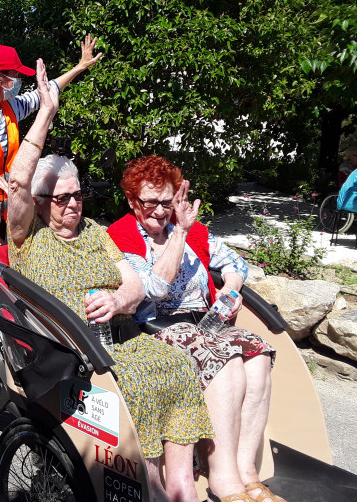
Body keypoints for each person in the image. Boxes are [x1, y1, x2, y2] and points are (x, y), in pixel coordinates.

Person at [5, 71, 212, 502]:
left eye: (78, 194)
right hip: (71, 356)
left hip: (120, 340)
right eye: (61, 198)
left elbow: (137, 283)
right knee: (136, 388)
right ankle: (151, 491)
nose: (73, 204)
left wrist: (118, 298)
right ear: (42, 204)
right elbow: (19, 183)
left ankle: (181, 489)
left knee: (177, 367)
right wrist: (45, 113)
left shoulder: (97, 232)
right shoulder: (27, 237)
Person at [107, 155, 280, 502]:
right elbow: (153, 288)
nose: (159, 211)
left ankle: (247, 473)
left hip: (204, 321)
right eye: (150, 202)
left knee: (258, 354)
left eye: (166, 202)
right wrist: (180, 233)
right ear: (131, 201)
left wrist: (230, 289)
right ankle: (224, 479)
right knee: (227, 359)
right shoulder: (121, 235)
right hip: (153, 327)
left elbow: (235, 263)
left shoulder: (192, 229)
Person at [0, 36, 101, 356]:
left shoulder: (11, 108)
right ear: (0, 78)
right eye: (13, 75)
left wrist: (79, 67)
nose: (17, 80)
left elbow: (47, 91)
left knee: (27, 257)